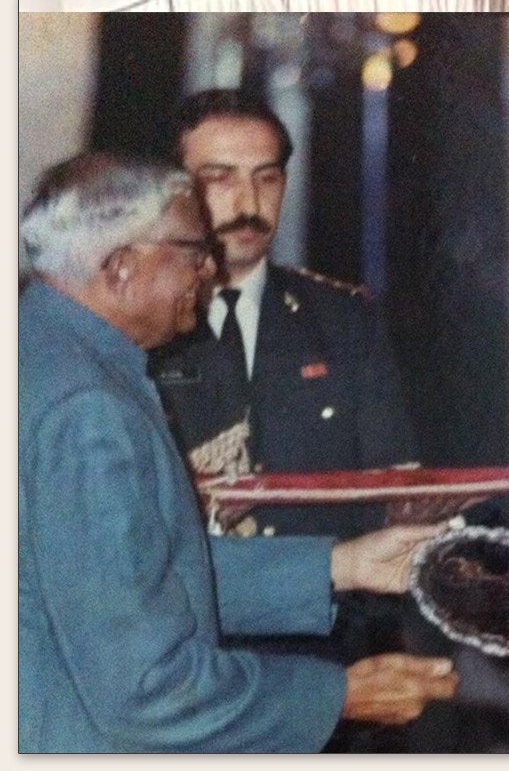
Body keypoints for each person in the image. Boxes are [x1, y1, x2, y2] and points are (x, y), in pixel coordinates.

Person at [18, 152, 459, 753]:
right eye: (193, 251)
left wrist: (344, 565)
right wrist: (338, 697)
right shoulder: (87, 408)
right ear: (121, 267)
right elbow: (148, 692)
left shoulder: (40, 351)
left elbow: (133, 580)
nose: (209, 269)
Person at [149, 88, 418, 541]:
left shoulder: (345, 321)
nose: (250, 205)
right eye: (220, 179)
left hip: (330, 583)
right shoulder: (143, 323)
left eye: (267, 179)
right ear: (173, 190)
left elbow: (394, 494)